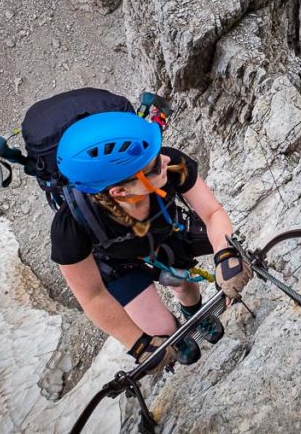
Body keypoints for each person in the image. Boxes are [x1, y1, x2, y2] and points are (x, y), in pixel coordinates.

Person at [52, 111, 251, 372]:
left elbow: (212, 213)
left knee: (182, 283)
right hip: (116, 263)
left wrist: (224, 254)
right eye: (155, 166)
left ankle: (194, 313)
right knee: (163, 331)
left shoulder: (171, 165)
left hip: (161, 235)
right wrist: (139, 345)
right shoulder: (71, 227)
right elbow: (92, 296)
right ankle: (176, 336)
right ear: (120, 192)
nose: (166, 160)